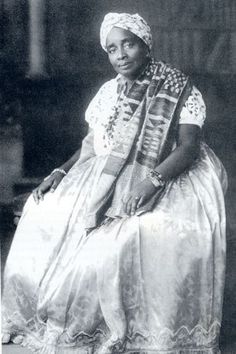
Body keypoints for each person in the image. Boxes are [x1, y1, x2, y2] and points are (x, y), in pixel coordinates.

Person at [2, 12, 227, 354]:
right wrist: (59, 172)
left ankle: (140, 331)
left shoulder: (178, 87)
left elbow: (188, 148)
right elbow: (92, 145)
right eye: (111, 49)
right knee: (44, 213)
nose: (120, 55)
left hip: (166, 171)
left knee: (137, 235)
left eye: (128, 44)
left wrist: (151, 181)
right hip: (105, 172)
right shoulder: (109, 91)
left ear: (146, 46)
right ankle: (50, 317)